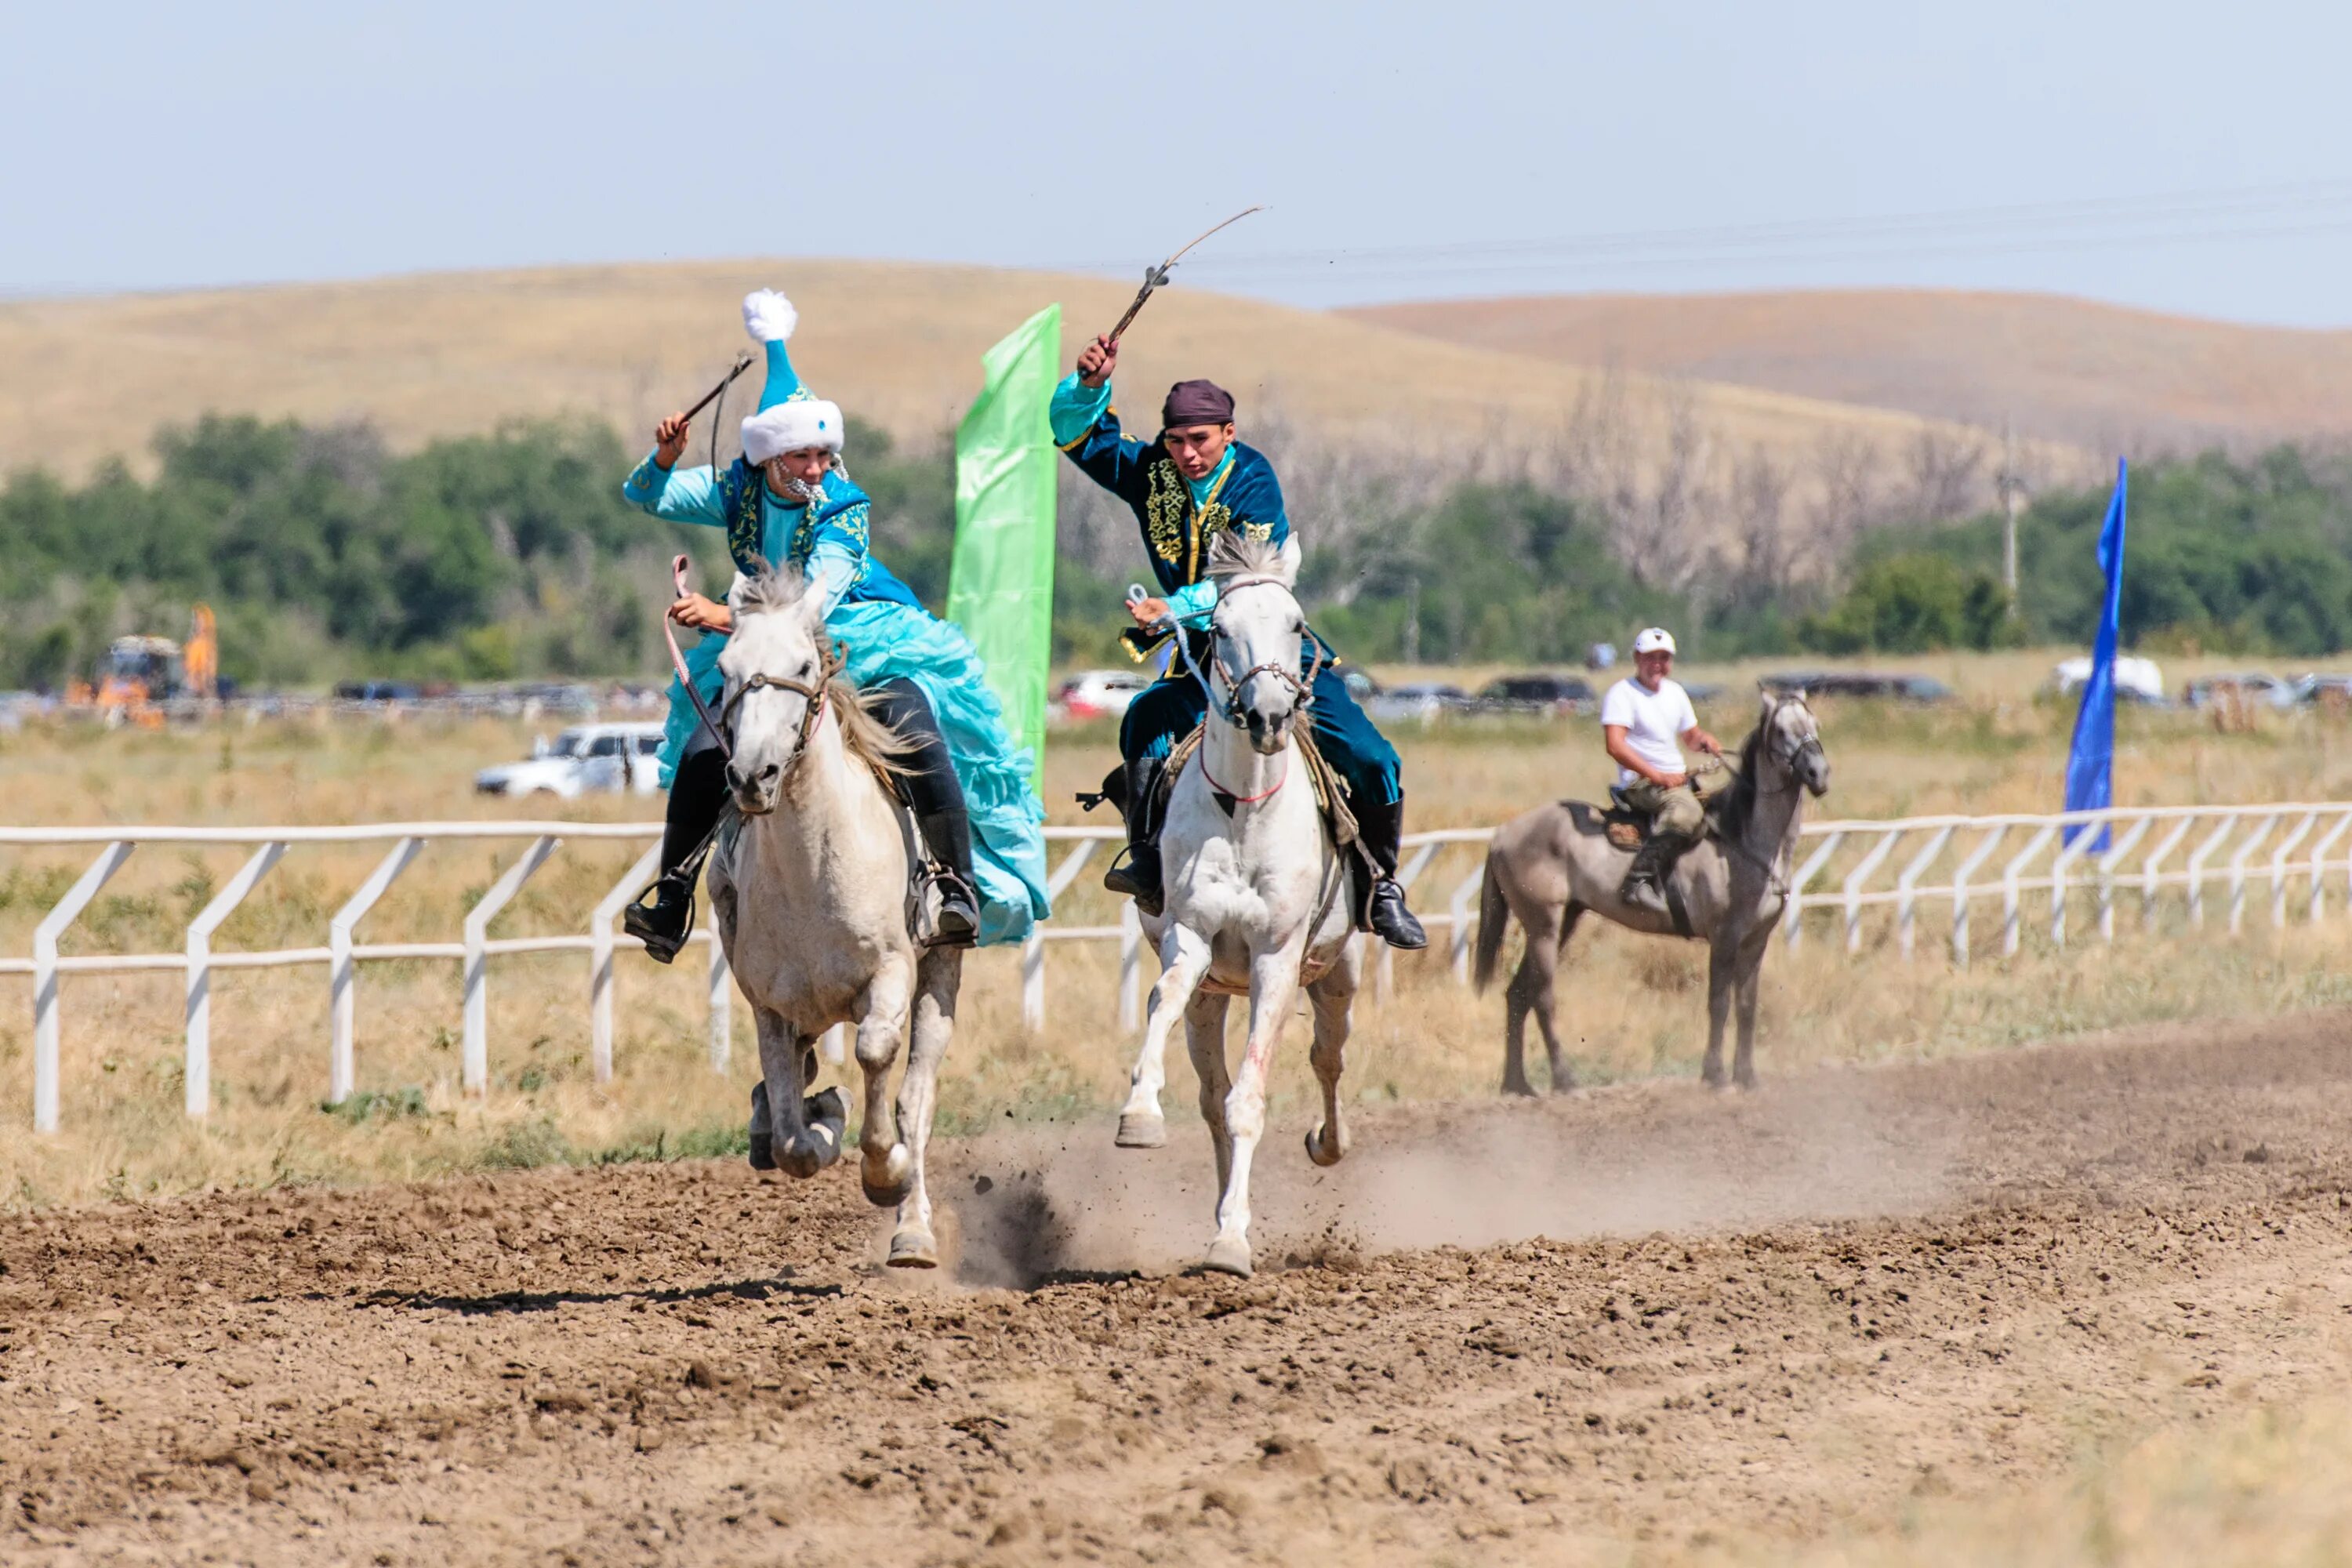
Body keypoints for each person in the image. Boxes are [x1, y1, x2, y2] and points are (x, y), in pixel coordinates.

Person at [618, 289, 1051, 960]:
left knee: (914, 726)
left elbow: (817, 603)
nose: (817, 469)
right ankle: (672, 897)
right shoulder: (734, 490)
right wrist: (666, 458)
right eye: (802, 458)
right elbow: (642, 497)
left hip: (860, 634)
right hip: (763, 641)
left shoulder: (845, 506)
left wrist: (722, 616)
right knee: (707, 752)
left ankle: (955, 887)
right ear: (768, 458)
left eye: (824, 455)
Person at [1049, 333, 1425, 949]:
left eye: (1199, 440)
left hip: (1272, 647)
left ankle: (1382, 885)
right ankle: (1148, 859)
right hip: (1204, 657)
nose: (1187, 454)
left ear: (1228, 432)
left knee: (1374, 756)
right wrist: (1088, 387)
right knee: (1144, 720)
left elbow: (1241, 579)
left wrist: (1170, 606)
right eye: (1175, 441)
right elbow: (1076, 437)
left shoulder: (1253, 478)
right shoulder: (1154, 474)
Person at [1600, 627, 1722, 916]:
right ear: (1636, 658)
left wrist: (1704, 740)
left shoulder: (1676, 693)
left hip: (1677, 780)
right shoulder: (1622, 694)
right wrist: (1659, 776)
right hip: (1641, 784)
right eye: (1650, 658)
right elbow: (1615, 746)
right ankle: (1637, 881)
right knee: (1687, 814)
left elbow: (1690, 736)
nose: (1657, 664)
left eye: (1664, 658)